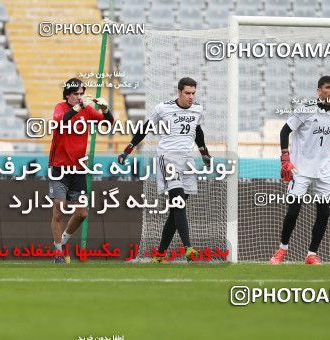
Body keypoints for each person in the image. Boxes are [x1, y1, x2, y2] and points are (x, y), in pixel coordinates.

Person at [118, 77, 211, 263]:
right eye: (187, 93)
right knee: (178, 204)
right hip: (167, 158)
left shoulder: (197, 109)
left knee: (176, 210)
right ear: (179, 92)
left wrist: (204, 154)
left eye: (193, 93)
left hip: (187, 161)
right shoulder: (163, 108)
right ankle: (188, 248)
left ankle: (160, 254)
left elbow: (198, 132)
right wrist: (128, 149)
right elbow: (145, 127)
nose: (191, 97)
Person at [270, 75, 330, 265]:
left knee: (324, 212)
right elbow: (284, 131)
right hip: (300, 169)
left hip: (323, 170)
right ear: (319, 90)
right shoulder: (305, 109)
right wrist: (285, 158)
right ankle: (282, 250)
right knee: (293, 211)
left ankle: (311, 254)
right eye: (328, 87)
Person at [49, 78, 114, 264]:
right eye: (76, 94)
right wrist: (76, 109)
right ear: (67, 95)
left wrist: (106, 109)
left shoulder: (87, 110)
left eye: (81, 93)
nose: (79, 97)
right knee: (59, 212)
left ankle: (62, 242)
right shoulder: (60, 108)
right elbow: (60, 123)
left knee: (82, 213)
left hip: (78, 168)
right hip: (59, 167)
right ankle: (58, 254)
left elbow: (109, 123)